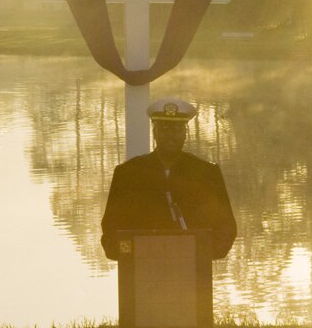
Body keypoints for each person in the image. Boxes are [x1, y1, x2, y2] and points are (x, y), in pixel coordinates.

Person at [101, 98, 237, 261]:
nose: (170, 135)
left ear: (185, 133)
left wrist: (202, 253)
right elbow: (111, 227)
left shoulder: (206, 174)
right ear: (155, 132)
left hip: (193, 270)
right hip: (141, 270)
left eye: (176, 129)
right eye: (164, 129)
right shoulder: (128, 174)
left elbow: (225, 226)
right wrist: (130, 253)